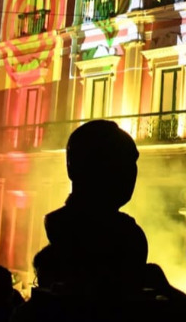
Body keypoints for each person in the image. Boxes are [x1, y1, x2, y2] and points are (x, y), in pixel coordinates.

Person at [43, 120, 150, 296]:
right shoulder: (127, 236)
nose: (132, 173)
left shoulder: (128, 232)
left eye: (133, 163)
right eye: (122, 161)